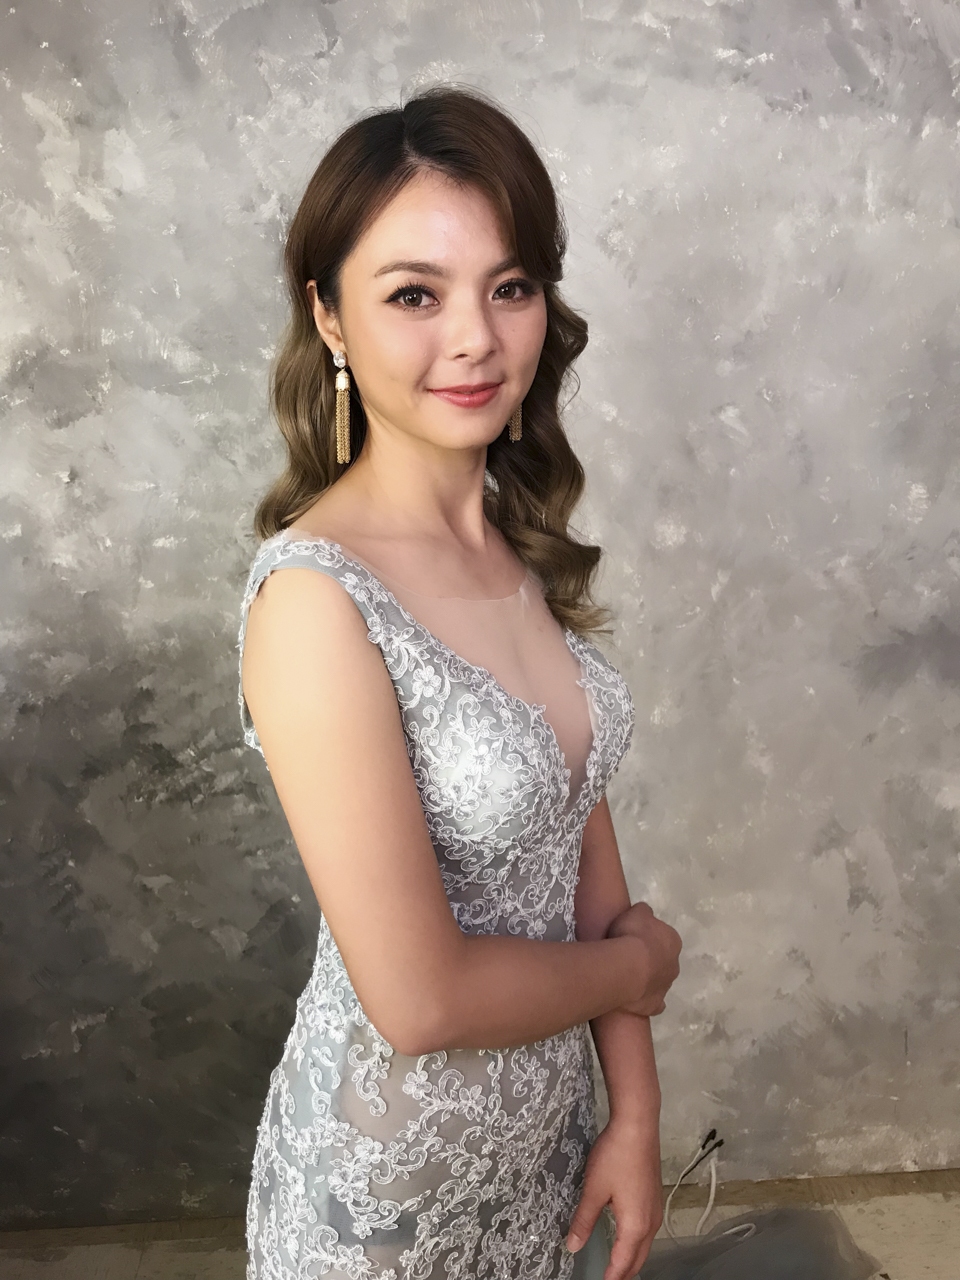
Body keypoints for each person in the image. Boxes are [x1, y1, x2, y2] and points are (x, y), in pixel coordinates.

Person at [238, 84, 681, 1280]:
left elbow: (579, 832)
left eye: (510, 285)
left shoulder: (514, 545)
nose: (478, 338)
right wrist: (639, 971)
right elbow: (420, 997)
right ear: (329, 315)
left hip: (548, 1159)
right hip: (384, 1204)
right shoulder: (316, 600)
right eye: (415, 295)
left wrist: (634, 1112)